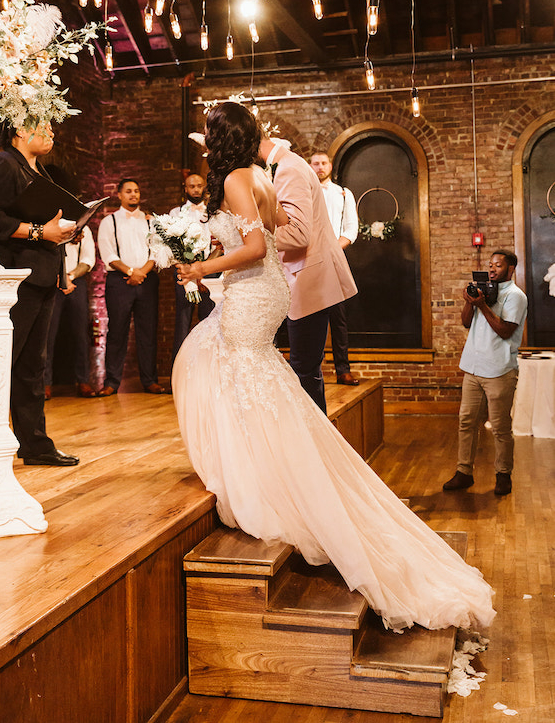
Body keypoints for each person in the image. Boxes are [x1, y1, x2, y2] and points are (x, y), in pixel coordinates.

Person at [172, 101, 493, 632]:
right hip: (268, 292)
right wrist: (214, 240)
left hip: (253, 291)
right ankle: (268, 457)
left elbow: (255, 247)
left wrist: (201, 265)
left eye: (209, 135)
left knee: (215, 361)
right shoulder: (258, 177)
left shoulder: (235, 179)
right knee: (242, 370)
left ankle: (259, 474)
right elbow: (272, 232)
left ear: (220, 139)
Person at [0, 120, 79, 466]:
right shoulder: (3, 163)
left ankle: (35, 444)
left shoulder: (39, 170)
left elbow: (47, 225)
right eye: (43, 125)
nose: (52, 132)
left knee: (33, 366)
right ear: (19, 131)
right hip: (11, 276)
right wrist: (39, 232)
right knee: (0, 361)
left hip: (41, 275)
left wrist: (61, 268)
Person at [258, 138, 357, 413]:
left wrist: (247, 238)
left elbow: (300, 234)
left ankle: (317, 443)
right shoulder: (280, 169)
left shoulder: (289, 168)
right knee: (301, 366)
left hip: (309, 274)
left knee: (304, 368)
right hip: (288, 276)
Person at [442, 250, 526, 497]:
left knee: (500, 427)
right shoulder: (482, 291)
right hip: (473, 367)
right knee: (466, 421)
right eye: (490, 265)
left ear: (510, 269)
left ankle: (503, 475)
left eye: (497, 266)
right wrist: (470, 303)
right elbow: (466, 323)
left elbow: (504, 330)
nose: (491, 269)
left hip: (499, 370)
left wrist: (483, 306)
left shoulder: (515, 297)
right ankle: (464, 472)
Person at [98, 178, 166, 395]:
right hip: (120, 281)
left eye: (136, 191)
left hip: (146, 278)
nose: (133, 195)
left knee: (147, 332)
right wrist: (130, 272)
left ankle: (149, 380)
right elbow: (108, 254)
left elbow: (157, 251)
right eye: (128, 191)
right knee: (117, 331)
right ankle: (111, 382)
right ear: (119, 194)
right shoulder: (110, 221)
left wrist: (141, 272)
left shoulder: (150, 222)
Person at [310, 152, 360, 386]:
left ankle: (342, 369)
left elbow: (351, 229)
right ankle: (312, 369)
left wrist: (331, 249)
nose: (320, 167)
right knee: (308, 315)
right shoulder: (304, 191)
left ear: (330, 165)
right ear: (310, 166)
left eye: (323, 163)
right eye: (315, 163)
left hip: (334, 259)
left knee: (338, 317)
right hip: (307, 260)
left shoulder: (343, 193)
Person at [45, 225, 98, 398]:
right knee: (47, 335)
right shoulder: (49, 226)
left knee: (81, 333)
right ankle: (45, 383)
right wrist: (59, 278)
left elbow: (88, 260)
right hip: (51, 283)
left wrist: (70, 277)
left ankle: (83, 381)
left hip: (76, 282)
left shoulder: (84, 229)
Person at [171, 174, 217, 359]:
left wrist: (204, 271)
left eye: (199, 186)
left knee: (211, 321)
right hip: (185, 272)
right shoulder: (176, 213)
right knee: (182, 323)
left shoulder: (213, 212)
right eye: (192, 186)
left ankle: (208, 370)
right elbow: (172, 245)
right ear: (185, 188)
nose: (196, 189)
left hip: (211, 272)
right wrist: (190, 271)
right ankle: (179, 373)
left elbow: (217, 245)